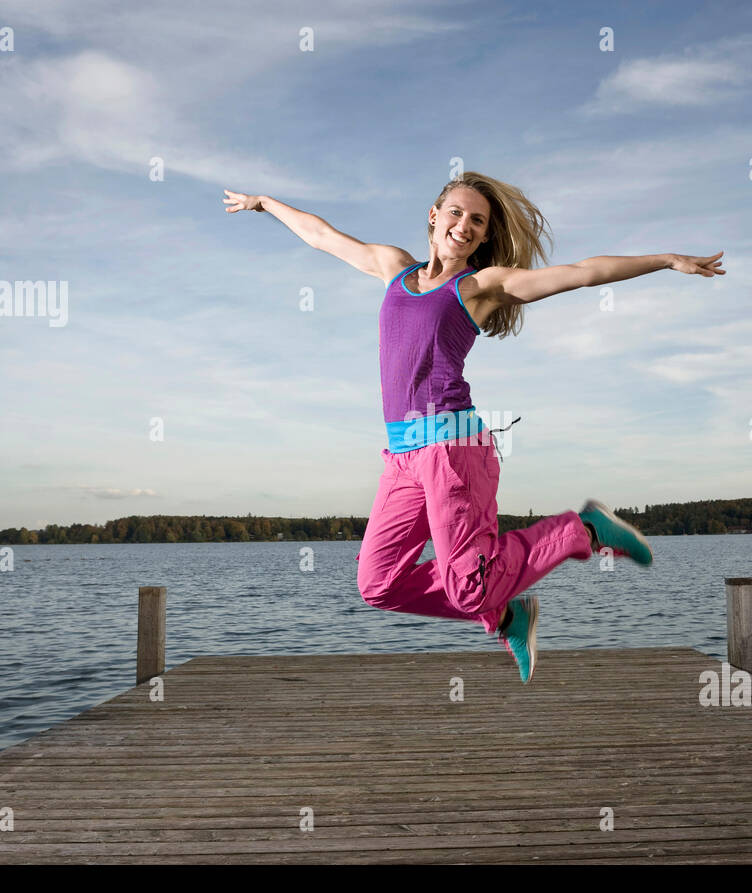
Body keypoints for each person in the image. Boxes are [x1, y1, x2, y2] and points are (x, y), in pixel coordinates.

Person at [224, 172, 724, 683]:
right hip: (401, 456)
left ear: (484, 237)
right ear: (434, 216)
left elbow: (582, 272)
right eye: (457, 213)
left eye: (478, 221)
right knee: (377, 585)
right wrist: (265, 203)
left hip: (452, 446)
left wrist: (664, 260)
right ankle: (508, 615)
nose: (464, 225)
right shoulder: (393, 269)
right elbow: (323, 235)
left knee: (468, 588)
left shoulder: (480, 287)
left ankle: (585, 530)